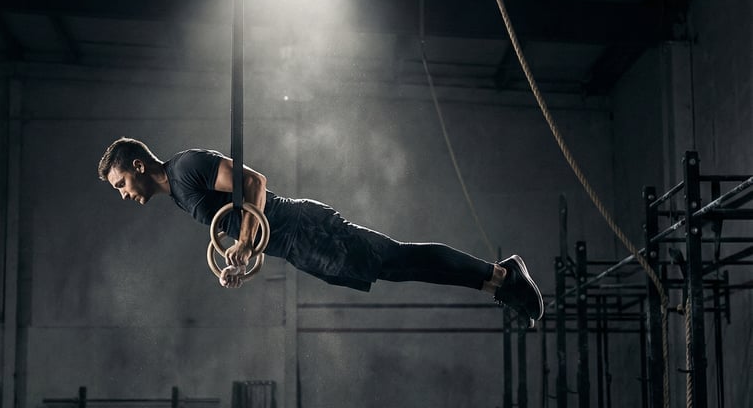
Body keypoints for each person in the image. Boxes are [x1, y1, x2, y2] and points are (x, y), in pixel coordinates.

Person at [97, 138, 544, 326]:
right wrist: (240, 259)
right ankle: (495, 281)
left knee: (400, 258)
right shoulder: (177, 193)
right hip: (297, 247)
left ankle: (503, 276)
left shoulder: (185, 167)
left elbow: (255, 184)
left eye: (119, 185)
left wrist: (243, 243)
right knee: (398, 267)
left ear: (138, 166)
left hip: (305, 229)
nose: (122, 195)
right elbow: (243, 222)